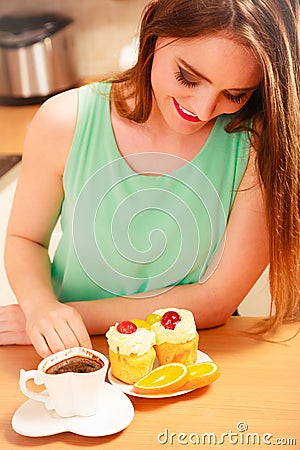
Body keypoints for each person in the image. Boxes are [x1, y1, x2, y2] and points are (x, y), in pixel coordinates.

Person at [0, 0, 299, 358]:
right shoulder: (65, 121)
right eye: (187, 77)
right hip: (72, 350)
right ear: (154, 35)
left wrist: (67, 316)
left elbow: (216, 299)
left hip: (189, 356)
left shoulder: (258, 145)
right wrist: (40, 306)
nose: (202, 110)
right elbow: (25, 239)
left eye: (235, 94)